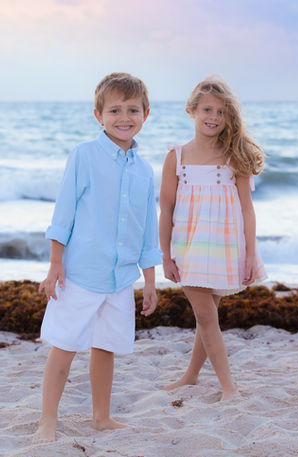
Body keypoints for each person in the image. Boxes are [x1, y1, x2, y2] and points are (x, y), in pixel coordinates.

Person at [34, 72, 161, 442]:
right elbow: (65, 213)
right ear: (98, 115)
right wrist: (56, 264)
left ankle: (101, 417)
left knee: (106, 347)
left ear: (146, 114)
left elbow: (147, 227)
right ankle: (47, 419)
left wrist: (150, 279)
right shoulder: (84, 156)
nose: (125, 117)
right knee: (65, 346)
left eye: (133, 110)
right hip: (81, 273)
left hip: (121, 279)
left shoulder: (145, 169)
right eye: (115, 110)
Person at [159, 76, 266, 401]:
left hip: (224, 245)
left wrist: (250, 253)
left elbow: (247, 210)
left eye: (221, 112)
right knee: (206, 316)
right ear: (192, 110)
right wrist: (165, 255)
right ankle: (229, 388)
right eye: (207, 109)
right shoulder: (176, 157)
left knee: (209, 316)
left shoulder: (235, 155)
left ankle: (191, 376)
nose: (214, 117)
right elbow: (166, 208)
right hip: (189, 247)